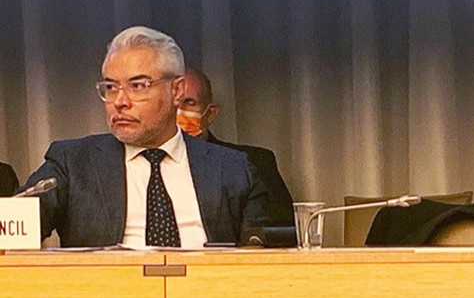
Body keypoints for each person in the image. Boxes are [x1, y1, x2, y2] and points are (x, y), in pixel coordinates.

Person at [21, 26, 268, 247]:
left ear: (177, 91)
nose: (119, 101)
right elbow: (12, 229)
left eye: (137, 86)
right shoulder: (73, 164)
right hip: (106, 294)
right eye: (110, 87)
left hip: (207, 294)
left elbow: (268, 260)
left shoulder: (232, 168)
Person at [177, 68, 295, 226]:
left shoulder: (253, 163)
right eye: (173, 103)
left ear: (210, 114)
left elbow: (282, 234)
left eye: (189, 103)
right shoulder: (141, 164)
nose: (178, 113)